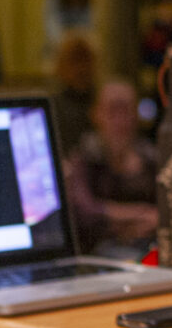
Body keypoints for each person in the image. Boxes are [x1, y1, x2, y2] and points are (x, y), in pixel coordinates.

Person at [64, 79, 159, 254]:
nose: (120, 120)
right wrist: (141, 213)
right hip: (106, 250)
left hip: (153, 243)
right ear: (96, 114)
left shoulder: (150, 156)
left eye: (127, 110)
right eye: (112, 110)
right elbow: (85, 211)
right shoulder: (84, 158)